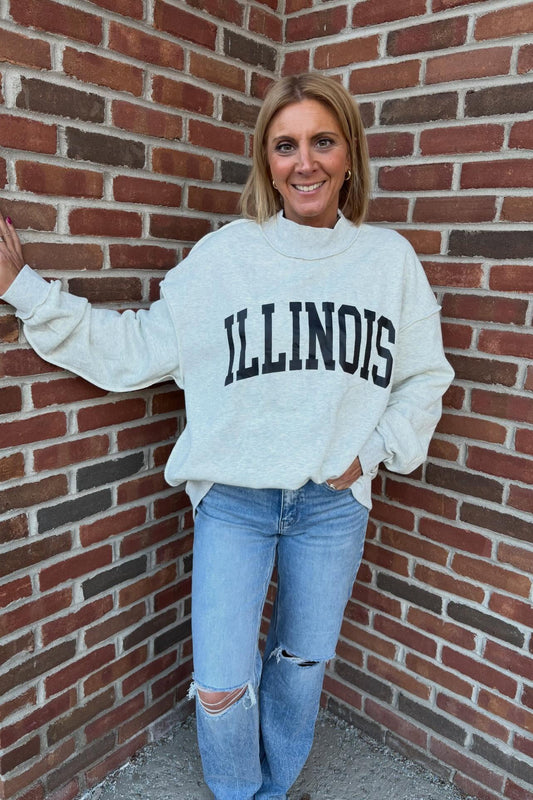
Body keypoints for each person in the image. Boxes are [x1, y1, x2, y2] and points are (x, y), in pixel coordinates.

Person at [0, 73, 454, 800]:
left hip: (331, 508)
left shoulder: (387, 261)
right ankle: (241, 792)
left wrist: (370, 453)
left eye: (321, 141)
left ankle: (274, 789)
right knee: (217, 684)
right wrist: (25, 288)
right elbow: (134, 350)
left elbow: (424, 378)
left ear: (348, 155)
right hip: (235, 504)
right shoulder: (225, 258)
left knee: (301, 665)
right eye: (285, 146)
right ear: (266, 161)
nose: (303, 162)